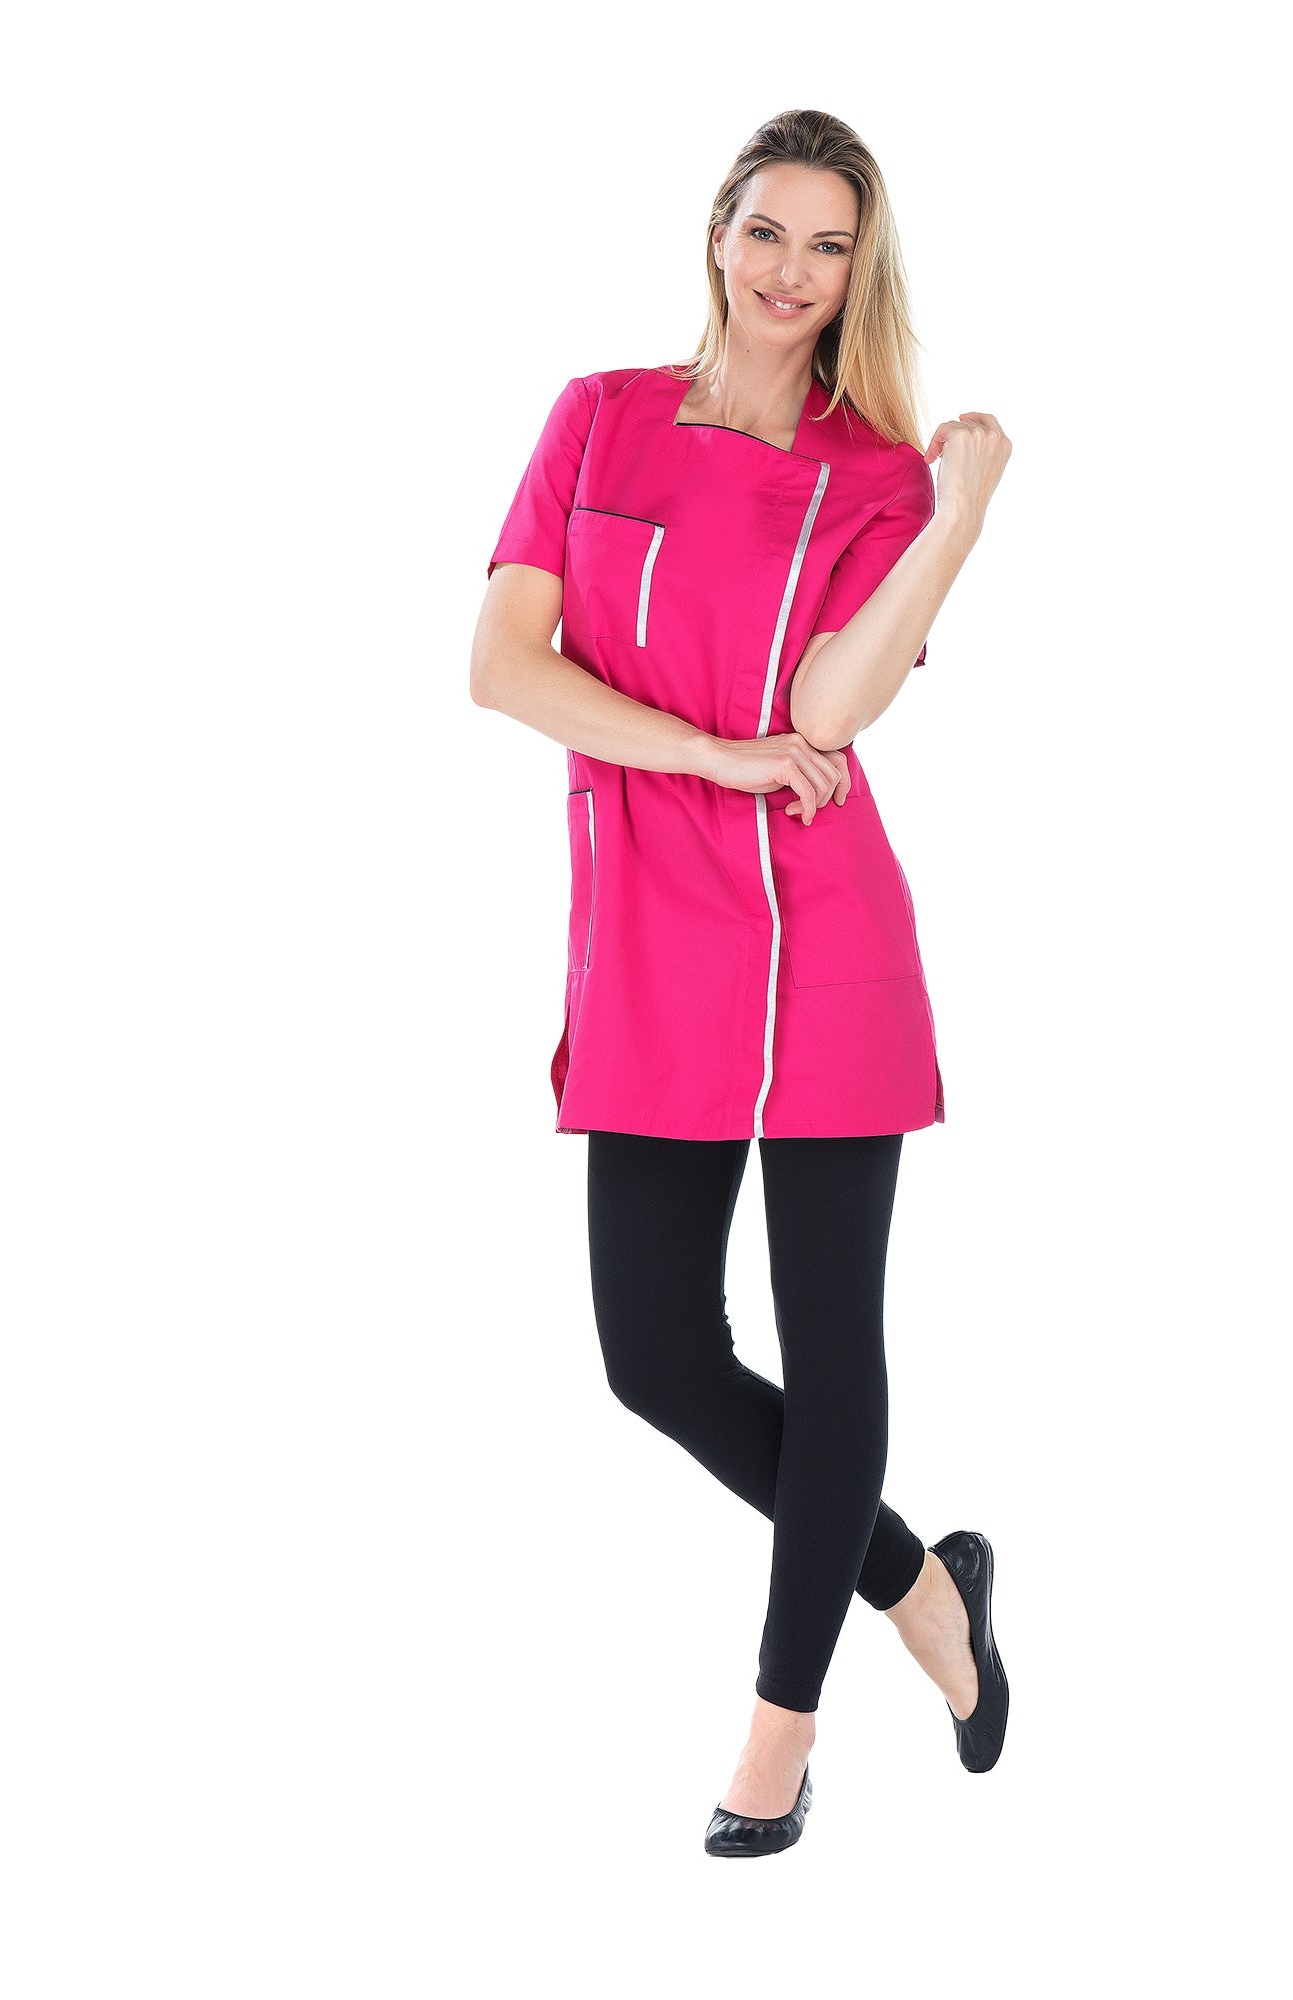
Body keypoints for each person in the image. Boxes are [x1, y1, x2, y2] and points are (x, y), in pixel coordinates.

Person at [471, 108, 1013, 1857]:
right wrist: (712, 756)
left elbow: (836, 709)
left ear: (861, 272)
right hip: (650, 925)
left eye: (829, 247)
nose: (792, 272)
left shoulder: (877, 477)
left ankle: (779, 1736)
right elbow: (504, 668)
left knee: (829, 1341)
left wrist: (957, 518)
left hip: (820, 936)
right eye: (768, 231)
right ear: (718, 233)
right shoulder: (599, 414)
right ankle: (920, 1586)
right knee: (654, 1353)